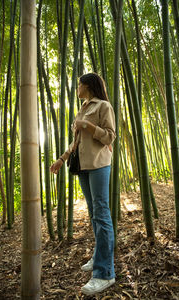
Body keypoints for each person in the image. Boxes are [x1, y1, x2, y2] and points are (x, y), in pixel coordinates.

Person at [50, 73, 116, 295]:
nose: (77, 88)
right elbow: (77, 141)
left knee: (102, 214)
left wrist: (87, 125)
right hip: (83, 166)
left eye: (79, 84)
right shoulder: (83, 107)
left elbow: (110, 136)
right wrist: (62, 158)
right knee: (94, 214)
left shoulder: (103, 106)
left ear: (87, 86)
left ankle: (105, 273)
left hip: (99, 164)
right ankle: (100, 256)